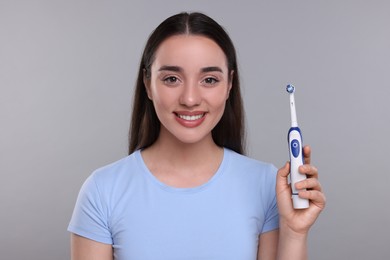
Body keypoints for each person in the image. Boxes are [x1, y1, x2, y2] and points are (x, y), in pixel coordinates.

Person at [68, 12, 326, 260]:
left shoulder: (267, 185)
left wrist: (294, 232)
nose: (190, 99)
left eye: (209, 80)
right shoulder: (102, 191)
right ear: (147, 84)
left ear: (229, 85)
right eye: (171, 78)